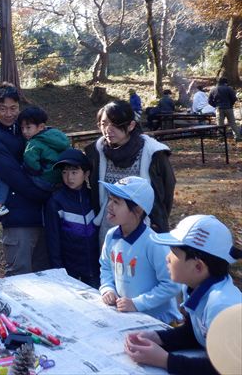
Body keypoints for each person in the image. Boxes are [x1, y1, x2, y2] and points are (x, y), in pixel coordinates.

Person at [124, 215, 242, 374]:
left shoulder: (221, 305)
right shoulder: (193, 287)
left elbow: (225, 368)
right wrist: (157, 338)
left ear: (198, 267)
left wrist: (164, 360)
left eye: (173, 252)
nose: (167, 257)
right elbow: (196, 333)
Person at [0, 83, 52, 276]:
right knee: (20, 275)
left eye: (13, 108)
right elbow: (14, 177)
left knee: (45, 275)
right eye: (2, 109)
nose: (8, 113)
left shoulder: (25, 130)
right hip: (17, 219)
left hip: (42, 216)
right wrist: (46, 194)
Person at [85, 100, 176, 245]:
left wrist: (158, 219)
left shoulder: (153, 153)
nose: (108, 129)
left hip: (145, 227)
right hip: (108, 227)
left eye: (115, 124)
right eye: (104, 124)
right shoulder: (97, 152)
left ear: (131, 125)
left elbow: (166, 190)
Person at [99, 176, 181, 323]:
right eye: (110, 199)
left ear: (137, 209)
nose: (109, 206)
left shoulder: (154, 243)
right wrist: (108, 289)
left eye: (116, 202)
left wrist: (138, 303)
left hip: (159, 322)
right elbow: (106, 267)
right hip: (127, 317)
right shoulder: (111, 236)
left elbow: (171, 285)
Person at [0, 105, 70, 219]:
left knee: (7, 174)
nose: (24, 132)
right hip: (57, 181)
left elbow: (31, 161)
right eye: (22, 128)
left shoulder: (34, 142)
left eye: (28, 127)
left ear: (41, 127)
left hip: (43, 180)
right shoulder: (57, 136)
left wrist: (34, 170)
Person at [44, 148, 99, 288]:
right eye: (64, 172)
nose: (69, 178)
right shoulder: (56, 201)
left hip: (96, 267)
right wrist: (58, 270)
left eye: (74, 172)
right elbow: (53, 239)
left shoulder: (94, 198)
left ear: (86, 173)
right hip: (70, 270)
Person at [208, 77, 240, 141]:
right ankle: (237, 137)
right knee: (232, 123)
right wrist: (231, 104)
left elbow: (209, 101)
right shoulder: (229, 89)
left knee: (220, 124)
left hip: (219, 109)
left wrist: (215, 105)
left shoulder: (213, 89)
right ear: (225, 82)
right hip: (229, 108)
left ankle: (221, 138)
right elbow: (234, 98)